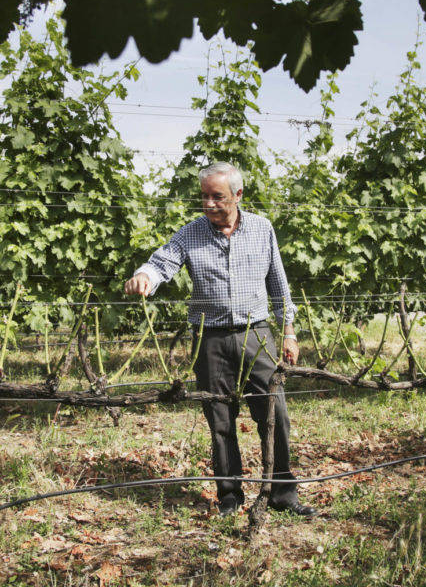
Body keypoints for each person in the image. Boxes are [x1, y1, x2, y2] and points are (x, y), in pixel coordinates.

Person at [124, 162, 316, 518]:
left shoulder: (262, 229)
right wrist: (144, 276)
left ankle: (282, 493)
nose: (209, 204)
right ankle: (230, 496)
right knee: (220, 420)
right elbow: (163, 260)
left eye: (217, 197)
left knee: (275, 414)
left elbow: (279, 284)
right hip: (209, 339)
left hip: (256, 334)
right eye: (204, 197)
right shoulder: (192, 232)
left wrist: (288, 331)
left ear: (238, 195)